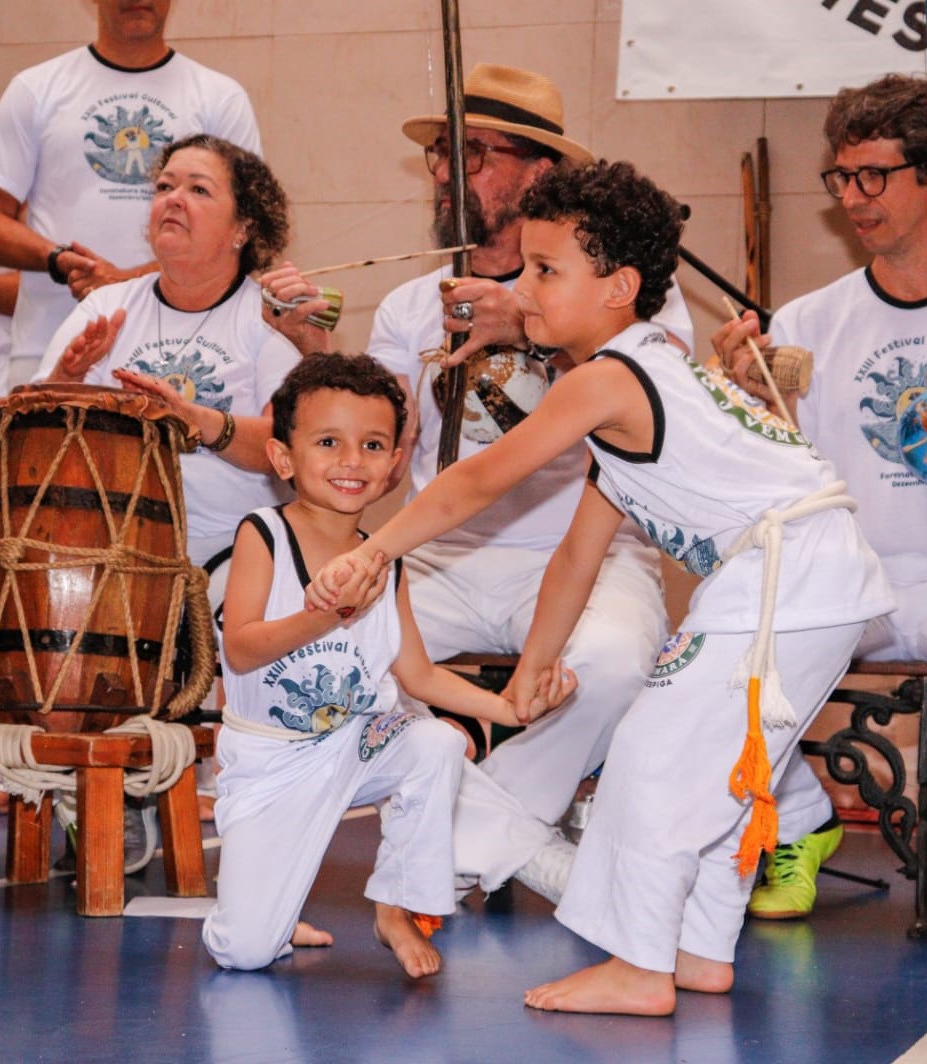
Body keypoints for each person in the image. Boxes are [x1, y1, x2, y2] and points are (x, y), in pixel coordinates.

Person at [304, 160, 893, 1014]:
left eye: (546, 271)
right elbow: (578, 556)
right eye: (526, 266)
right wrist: (530, 673)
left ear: (619, 288)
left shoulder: (606, 379)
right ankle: (698, 950)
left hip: (789, 577)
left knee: (652, 758)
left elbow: (479, 480)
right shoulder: (645, 376)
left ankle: (640, 967)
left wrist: (375, 553)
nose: (524, 289)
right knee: (718, 771)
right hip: (807, 577)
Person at [265, 62, 689, 902]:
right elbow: (385, 456)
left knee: (610, 661)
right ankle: (516, 840)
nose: (447, 174)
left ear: (540, 173)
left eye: (476, 155)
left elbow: (658, 399)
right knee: (323, 649)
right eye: (441, 155)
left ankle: (473, 836)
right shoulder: (411, 303)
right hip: (444, 556)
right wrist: (312, 349)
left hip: (587, 552)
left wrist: (529, 328)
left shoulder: (629, 296)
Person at [713, 74, 927, 943]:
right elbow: (770, 486)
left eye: (875, 175)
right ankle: (800, 823)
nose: (854, 197)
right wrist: (743, 397)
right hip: (849, 573)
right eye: (842, 176)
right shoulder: (808, 320)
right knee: (722, 652)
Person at [201, 352, 574, 974]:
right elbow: (240, 648)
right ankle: (268, 911)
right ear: (283, 458)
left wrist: (511, 708)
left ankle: (396, 906)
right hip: (272, 763)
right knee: (245, 951)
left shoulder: (386, 557)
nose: (353, 460)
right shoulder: (262, 533)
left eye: (372, 445)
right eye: (329, 442)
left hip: (356, 741)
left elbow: (418, 676)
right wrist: (325, 616)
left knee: (435, 742)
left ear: (395, 462)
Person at [31, 133, 301, 870]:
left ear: (244, 228)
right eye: (164, 186)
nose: (172, 199)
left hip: (231, 549)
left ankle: (228, 790)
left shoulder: (266, 319)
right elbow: (35, 435)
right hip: (111, 555)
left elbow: (288, 447)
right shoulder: (107, 308)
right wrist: (65, 382)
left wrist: (193, 418)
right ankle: (98, 788)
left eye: (198, 189)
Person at [0, 0, 261, 393]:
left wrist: (124, 282)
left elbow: (245, 229)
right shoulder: (34, 90)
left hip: (186, 359)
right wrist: (58, 259)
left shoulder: (219, 97)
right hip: (47, 348)